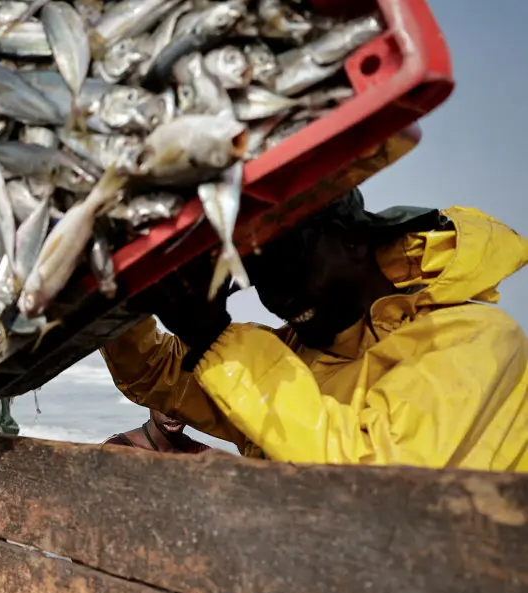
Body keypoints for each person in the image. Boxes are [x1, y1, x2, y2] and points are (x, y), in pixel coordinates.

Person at [101, 189, 528, 470]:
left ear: (354, 242)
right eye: (258, 275)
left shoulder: (474, 337)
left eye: (289, 261)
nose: (279, 296)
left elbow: (372, 476)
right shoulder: (295, 353)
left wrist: (216, 338)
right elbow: (156, 372)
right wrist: (117, 287)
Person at [105, 409, 212, 453]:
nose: (172, 414)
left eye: (181, 405)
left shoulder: (201, 454)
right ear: (148, 402)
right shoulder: (117, 449)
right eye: (163, 403)